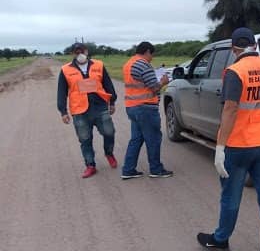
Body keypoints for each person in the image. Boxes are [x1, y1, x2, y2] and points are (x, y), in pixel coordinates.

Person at [197, 28, 260, 251]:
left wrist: (220, 147)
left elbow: (230, 109)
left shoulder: (235, 71)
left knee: (231, 197)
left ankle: (221, 239)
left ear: (234, 48)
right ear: (254, 45)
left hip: (239, 145)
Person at [57, 42, 118, 178]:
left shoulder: (99, 65)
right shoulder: (66, 69)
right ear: (72, 53)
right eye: (76, 52)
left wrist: (112, 101)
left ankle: (109, 153)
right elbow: (61, 92)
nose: (80, 54)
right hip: (79, 110)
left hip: (100, 106)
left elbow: (108, 84)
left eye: (82, 51)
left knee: (109, 132)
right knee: (85, 139)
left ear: (87, 51)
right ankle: (90, 165)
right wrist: (63, 111)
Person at [121, 41, 173, 179]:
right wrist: (163, 82)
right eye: (152, 55)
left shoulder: (129, 63)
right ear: (147, 51)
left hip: (132, 106)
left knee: (136, 139)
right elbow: (154, 87)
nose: (152, 58)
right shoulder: (143, 64)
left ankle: (128, 169)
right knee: (154, 139)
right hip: (145, 108)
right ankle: (156, 169)